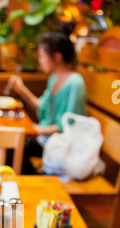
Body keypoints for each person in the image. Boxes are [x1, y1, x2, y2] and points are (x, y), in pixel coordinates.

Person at [7, 31, 86, 173]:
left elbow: (69, 125)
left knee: (13, 147)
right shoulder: (54, 78)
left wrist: (34, 130)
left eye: (42, 56)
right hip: (45, 139)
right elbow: (43, 107)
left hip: (58, 145)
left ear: (57, 57)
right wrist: (21, 90)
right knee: (11, 145)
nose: (39, 60)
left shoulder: (75, 83)